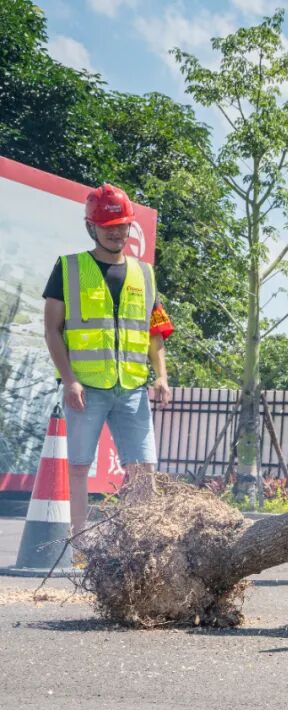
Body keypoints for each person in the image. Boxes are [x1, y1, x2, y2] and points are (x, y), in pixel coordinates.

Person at [42, 184, 174, 534]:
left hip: (132, 387)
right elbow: (52, 329)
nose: (117, 232)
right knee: (79, 466)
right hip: (86, 389)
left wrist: (161, 376)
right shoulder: (69, 268)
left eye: (122, 226)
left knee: (144, 467)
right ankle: (80, 545)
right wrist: (69, 379)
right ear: (92, 227)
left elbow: (155, 331)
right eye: (108, 226)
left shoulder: (144, 273)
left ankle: (140, 540)